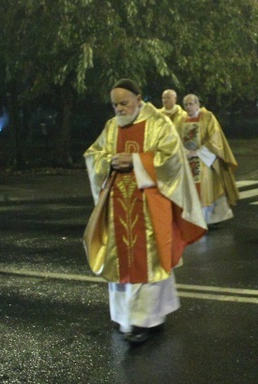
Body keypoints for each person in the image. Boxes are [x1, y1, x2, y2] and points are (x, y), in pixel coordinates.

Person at [83, 79, 207, 344]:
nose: (119, 109)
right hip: (118, 205)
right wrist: (108, 161)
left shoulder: (158, 124)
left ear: (139, 99)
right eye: (115, 104)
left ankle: (148, 320)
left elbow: (172, 159)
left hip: (149, 205)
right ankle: (125, 317)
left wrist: (137, 161)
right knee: (120, 261)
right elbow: (94, 154)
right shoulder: (110, 127)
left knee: (148, 261)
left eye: (124, 103)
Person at [176, 94, 240, 225]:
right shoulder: (180, 120)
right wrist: (184, 151)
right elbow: (175, 139)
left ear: (197, 104)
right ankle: (191, 220)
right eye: (186, 105)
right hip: (187, 161)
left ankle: (203, 221)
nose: (188, 107)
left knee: (206, 192)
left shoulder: (207, 117)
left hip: (203, 161)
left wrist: (198, 152)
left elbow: (215, 138)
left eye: (191, 104)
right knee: (189, 192)